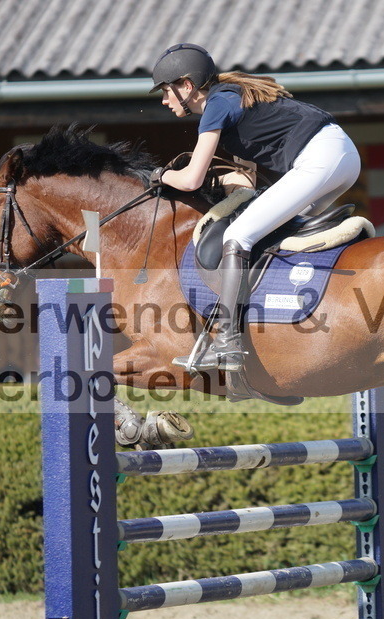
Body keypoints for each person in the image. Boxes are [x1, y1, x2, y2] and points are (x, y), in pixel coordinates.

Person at [148, 43, 361, 372]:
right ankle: (280, 337)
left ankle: (228, 344)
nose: (164, 100)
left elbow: (191, 180)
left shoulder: (217, 104)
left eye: (166, 91)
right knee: (275, 236)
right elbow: (245, 181)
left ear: (187, 86)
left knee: (237, 236)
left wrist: (161, 174)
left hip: (320, 159)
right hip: (340, 156)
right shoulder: (230, 96)